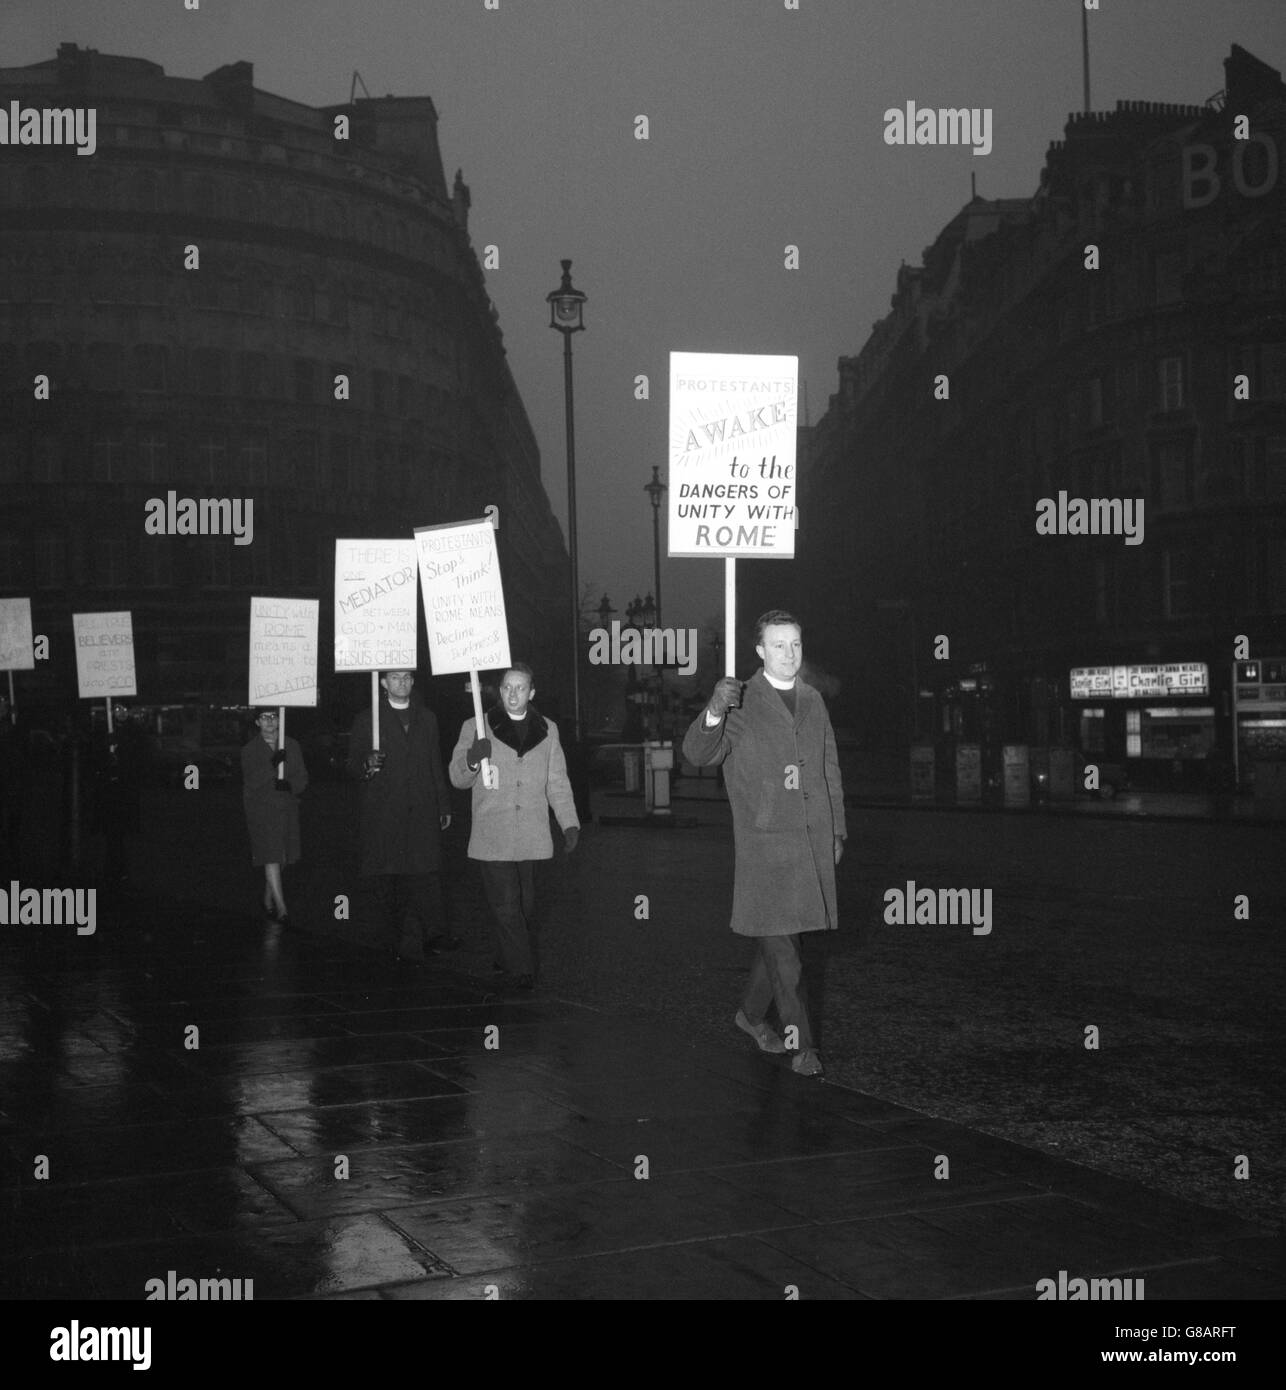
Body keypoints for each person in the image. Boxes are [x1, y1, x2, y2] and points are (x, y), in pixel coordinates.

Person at [682, 610, 846, 1078]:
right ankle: (804, 1046)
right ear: (760, 651)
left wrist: (837, 826)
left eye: (795, 644)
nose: (789, 654)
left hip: (810, 838)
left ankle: (750, 1016)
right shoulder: (740, 700)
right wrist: (714, 709)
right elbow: (697, 753)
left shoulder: (813, 700)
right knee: (785, 951)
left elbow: (827, 765)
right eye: (779, 645)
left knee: (782, 941)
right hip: (766, 845)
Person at [449, 661, 579, 990]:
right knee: (507, 902)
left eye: (520, 688)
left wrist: (569, 823)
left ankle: (504, 955)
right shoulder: (477, 726)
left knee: (525, 904)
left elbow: (557, 781)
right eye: (507, 687)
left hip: (531, 833)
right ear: (499, 690)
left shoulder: (548, 729)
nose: (512, 693)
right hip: (493, 831)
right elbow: (457, 778)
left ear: (531, 693)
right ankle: (522, 970)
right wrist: (472, 759)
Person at [348, 669, 455, 961]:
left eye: (407, 677)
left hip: (421, 806)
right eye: (395, 678)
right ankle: (388, 937)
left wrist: (443, 804)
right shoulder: (367, 719)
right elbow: (352, 763)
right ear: (383, 683)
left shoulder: (428, 718)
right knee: (388, 876)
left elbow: (435, 762)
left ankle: (434, 934)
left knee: (425, 873)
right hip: (384, 809)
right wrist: (366, 763)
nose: (402, 683)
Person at [240, 709, 308, 924]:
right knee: (271, 855)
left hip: (286, 806)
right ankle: (282, 908)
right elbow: (251, 780)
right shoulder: (249, 749)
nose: (270, 721)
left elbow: (302, 776)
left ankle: (267, 897)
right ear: (258, 722)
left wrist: (290, 785)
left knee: (284, 857)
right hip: (261, 809)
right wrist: (272, 765)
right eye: (265, 718)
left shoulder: (291, 745)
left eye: (274, 717)